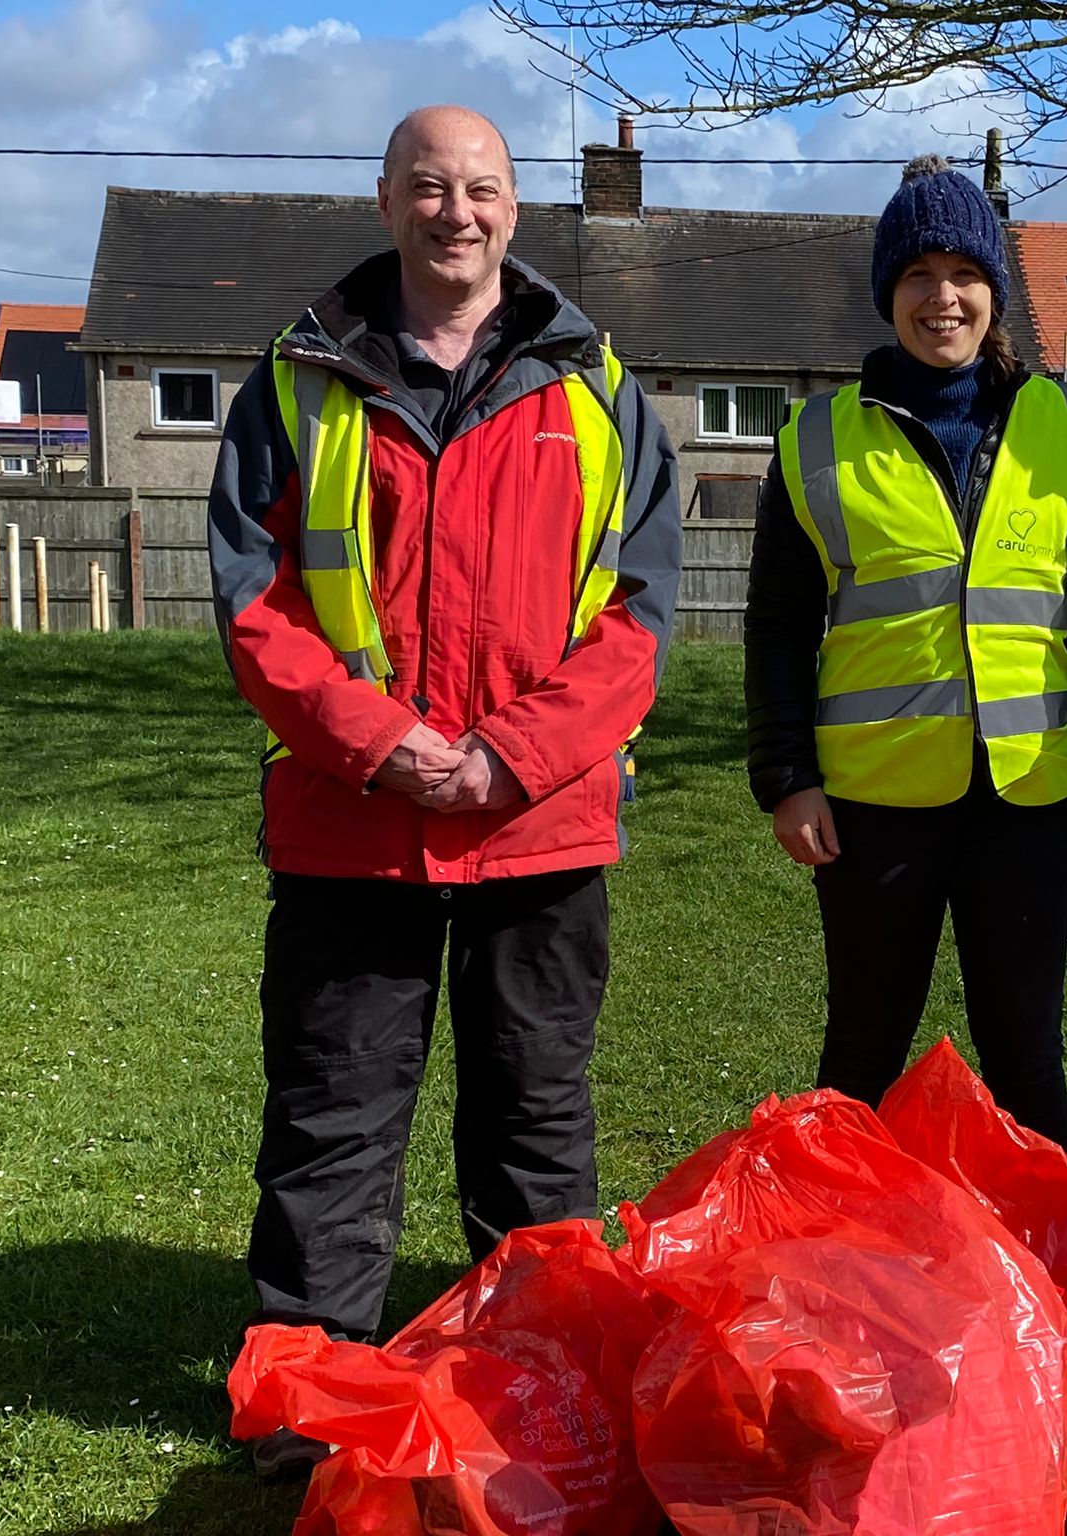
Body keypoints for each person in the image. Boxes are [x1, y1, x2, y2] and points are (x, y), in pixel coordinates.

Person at [207, 104, 681, 1475]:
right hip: (354, 824)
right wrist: (380, 743)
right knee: (330, 1122)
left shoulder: (599, 388)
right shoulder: (294, 380)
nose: (454, 210)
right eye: (428, 186)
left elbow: (641, 618)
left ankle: (545, 1386)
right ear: (386, 201)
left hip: (541, 827)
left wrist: (505, 758)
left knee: (537, 1128)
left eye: (478, 187)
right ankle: (303, 1408)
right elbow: (255, 606)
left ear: (516, 209)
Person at [743, 154, 1067, 1148]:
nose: (941, 297)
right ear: (888, 294)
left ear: (992, 291)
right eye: (916, 276)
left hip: (1028, 799)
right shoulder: (814, 443)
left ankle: (1050, 1279)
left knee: (1026, 1052)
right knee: (861, 1052)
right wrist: (787, 777)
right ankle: (835, 1270)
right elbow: (777, 632)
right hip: (871, 805)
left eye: (962, 273)